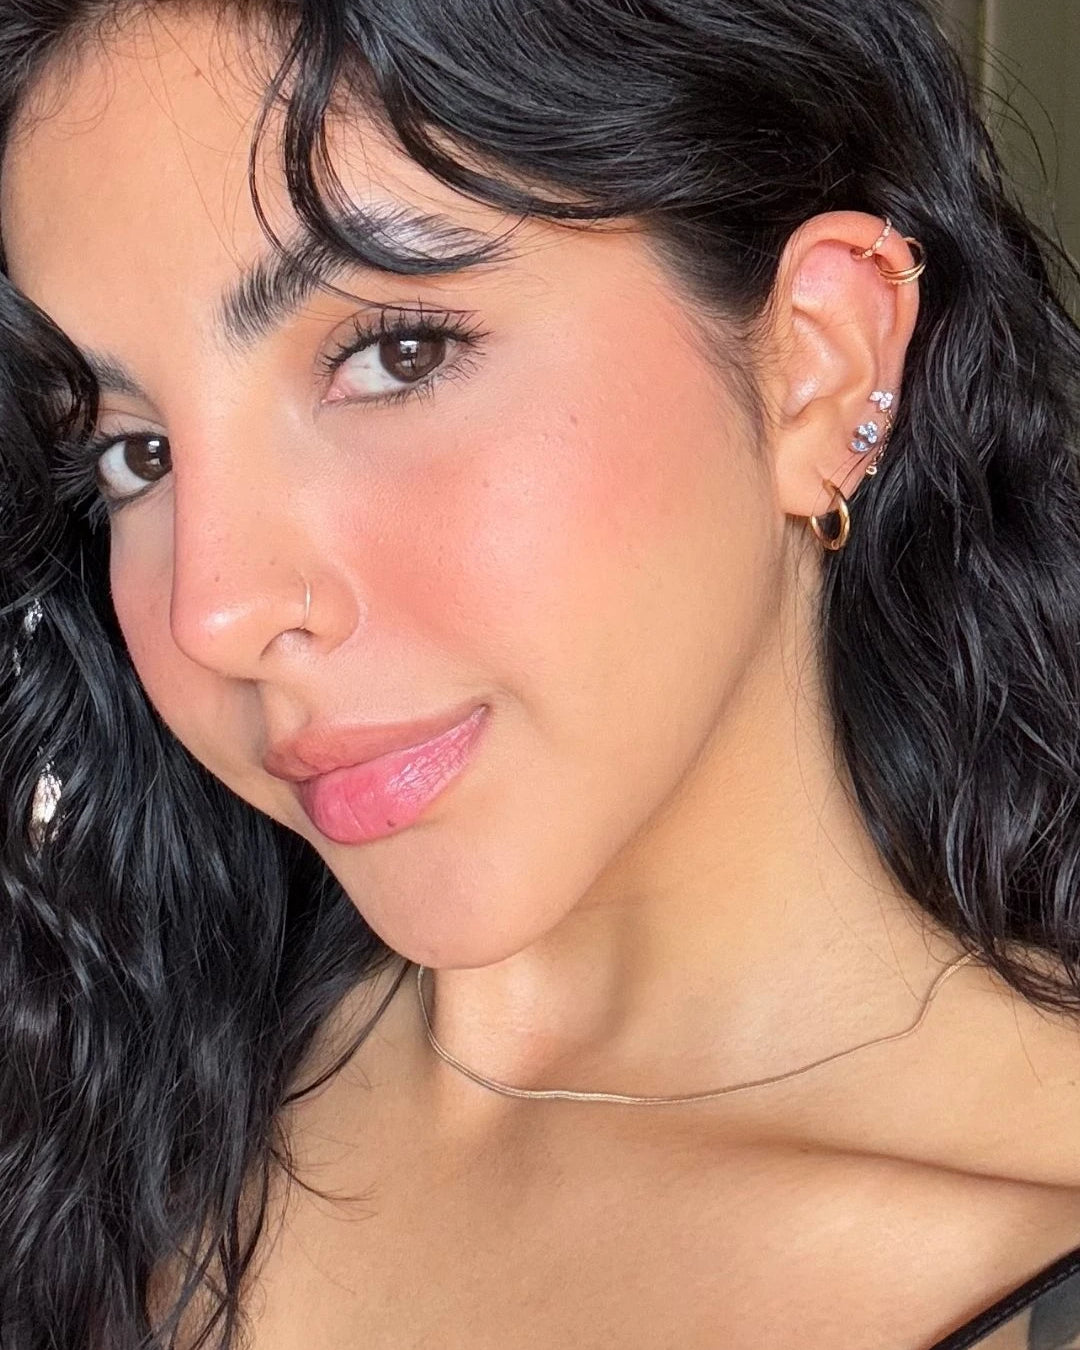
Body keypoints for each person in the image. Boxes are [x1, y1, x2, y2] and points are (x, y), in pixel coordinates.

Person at [1, 0, 1080, 1346]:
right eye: (135, 455)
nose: (215, 609)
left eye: (395, 354)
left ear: (818, 363)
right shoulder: (83, 1108)